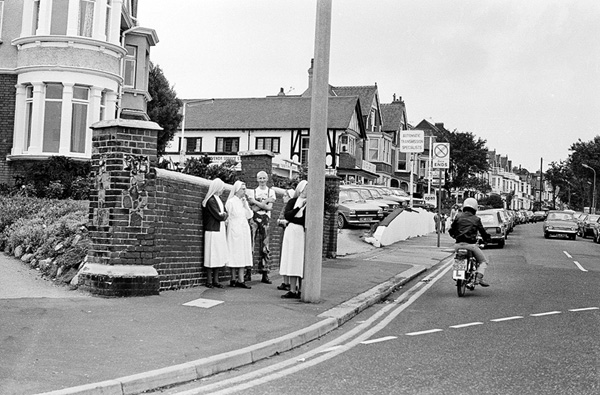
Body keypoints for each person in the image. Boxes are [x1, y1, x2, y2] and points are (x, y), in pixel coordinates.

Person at [449, 198, 492, 287]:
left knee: (457, 258)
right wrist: (487, 239)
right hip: (471, 246)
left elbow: (451, 230)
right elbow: (482, 232)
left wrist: (454, 236)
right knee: (483, 261)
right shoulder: (476, 219)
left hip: (457, 245)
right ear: (475, 208)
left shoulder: (458, 216)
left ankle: (457, 273)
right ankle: (478, 279)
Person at [279, 180, 308, 299]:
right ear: (301, 189)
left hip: (300, 233)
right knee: (290, 259)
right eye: (307, 189)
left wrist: (292, 218)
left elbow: (303, 220)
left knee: (299, 260)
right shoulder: (293, 201)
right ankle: (292, 289)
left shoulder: (309, 204)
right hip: (291, 232)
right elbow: (287, 215)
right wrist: (298, 208)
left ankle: (300, 289)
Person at [247, 171, 277, 284]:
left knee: (265, 246)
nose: (262, 180)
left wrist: (256, 202)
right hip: (254, 219)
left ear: (267, 179)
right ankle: (248, 272)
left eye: (264, 178)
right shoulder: (253, 191)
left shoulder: (271, 191)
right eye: (260, 178)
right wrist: (264, 202)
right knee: (251, 245)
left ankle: (265, 273)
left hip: (266, 219)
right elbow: (253, 209)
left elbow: (269, 208)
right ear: (257, 179)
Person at [225, 181, 253, 289]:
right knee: (234, 252)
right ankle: (233, 278)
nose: (244, 191)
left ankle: (241, 279)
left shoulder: (243, 202)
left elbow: (249, 215)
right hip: (234, 228)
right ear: (237, 190)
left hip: (243, 228)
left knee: (242, 252)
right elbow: (229, 215)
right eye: (242, 189)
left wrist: (246, 205)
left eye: (245, 189)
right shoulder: (231, 202)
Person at [202, 178, 229, 288]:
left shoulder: (217, 199)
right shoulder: (211, 200)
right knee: (211, 255)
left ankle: (216, 280)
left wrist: (224, 215)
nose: (223, 190)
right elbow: (219, 215)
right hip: (212, 230)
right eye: (222, 188)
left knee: (217, 254)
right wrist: (225, 215)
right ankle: (209, 280)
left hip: (218, 230)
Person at [276, 188, 295, 292]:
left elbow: (286, 220)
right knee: (283, 256)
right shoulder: (285, 207)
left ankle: (287, 282)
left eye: (285, 196)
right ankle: (285, 281)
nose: (283, 197)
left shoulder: (289, 208)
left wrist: (282, 221)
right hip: (283, 233)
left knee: (287, 255)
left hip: (288, 233)